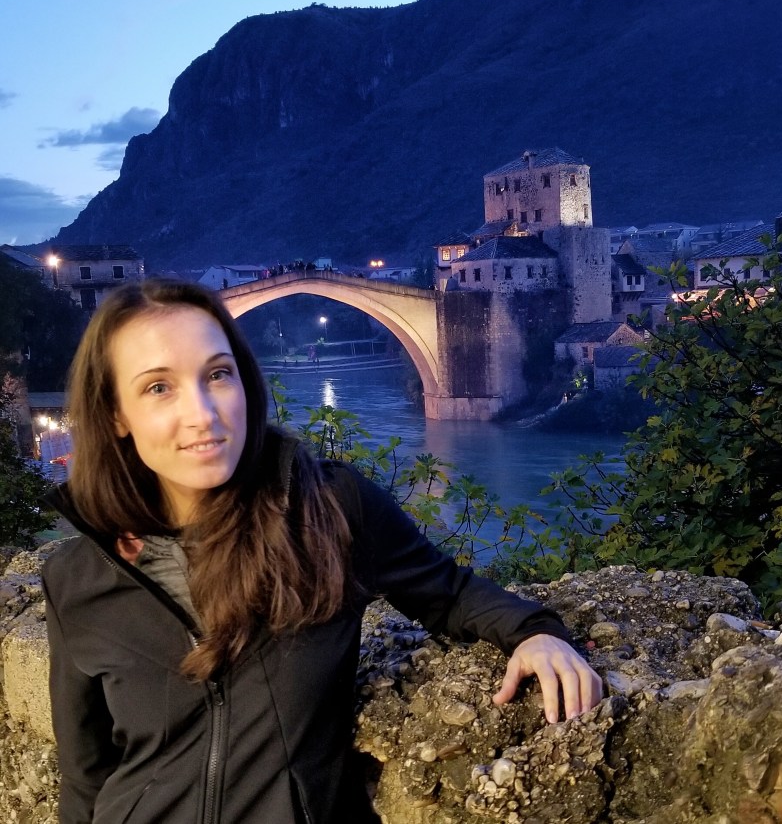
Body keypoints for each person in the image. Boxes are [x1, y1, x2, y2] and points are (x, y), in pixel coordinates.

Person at [41, 279, 602, 824]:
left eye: (217, 375)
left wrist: (535, 632)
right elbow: (86, 778)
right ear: (116, 414)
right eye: (159, 388)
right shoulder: (78, 576)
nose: (203, 414)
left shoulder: (329, 508)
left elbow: (448, 593)